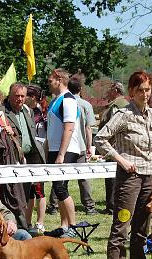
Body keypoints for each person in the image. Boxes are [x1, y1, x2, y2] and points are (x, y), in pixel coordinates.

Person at [94, 70, 152, 259]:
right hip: (129, 179)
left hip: (149, 177)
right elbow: (100, 139)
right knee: (121, 228)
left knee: (142, 229)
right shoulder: (123, 114)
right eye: (140, 90)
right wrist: (121, 160)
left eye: (148, 90)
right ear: (132, 92)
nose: (145, 94)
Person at [0, 82, 47, 232]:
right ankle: (17, 226)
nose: (20, 99)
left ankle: (24, 224)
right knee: (14, 194)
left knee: (27, 194)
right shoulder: (0, 112)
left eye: (22, 96)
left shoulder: (28, 110)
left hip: (30, 159)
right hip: (12, 159)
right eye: (16, 96)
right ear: (10, 95)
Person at [46, 68, 82, 238]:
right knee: (58, 187)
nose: (48, 83)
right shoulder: (56, 100)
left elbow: (69, 128)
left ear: (59, 79)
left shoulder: (68, 100)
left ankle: (73, 227)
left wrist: (61, 154)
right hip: (54, 149)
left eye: (50, 80)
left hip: (66, 150)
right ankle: (64, 226)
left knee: (60, 187)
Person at [99, 81, 130, 214]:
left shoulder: (118, 106)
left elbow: (114, 128)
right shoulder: (122, 104)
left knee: (112, 178)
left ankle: (112, 205)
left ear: (116, 90)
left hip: (115, 147)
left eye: (109, 90)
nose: (107, 93)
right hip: (118, 147)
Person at [68, 74, 97, 215]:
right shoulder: (86, 105)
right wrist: (89, 146)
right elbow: (88, 127)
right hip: (80, 146)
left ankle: (53, 205)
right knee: (83, 177)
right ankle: (90, 207)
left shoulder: (62, 102)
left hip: (66, 146)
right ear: (80, 88)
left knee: (62, 177)